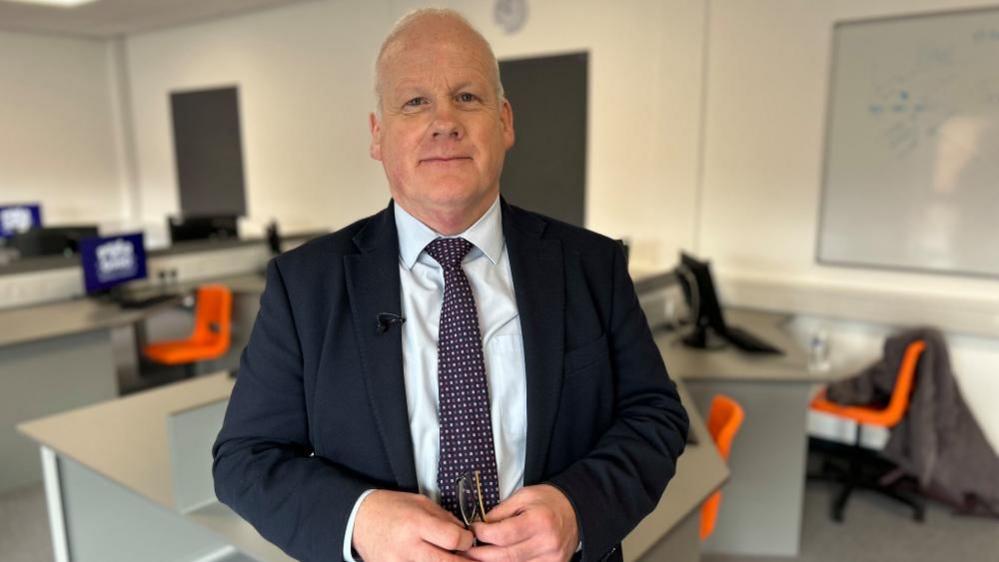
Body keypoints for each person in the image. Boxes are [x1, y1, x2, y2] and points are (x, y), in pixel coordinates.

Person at [213, 8, 688, 562]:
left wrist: (577, 509)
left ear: (505, 121)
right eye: (415, 102)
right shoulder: (304, 286)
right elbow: (244, 459)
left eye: (467, 97)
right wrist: (359, 520)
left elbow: (655, 416)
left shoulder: (593, 266)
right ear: (378, 134)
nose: (445, 122)